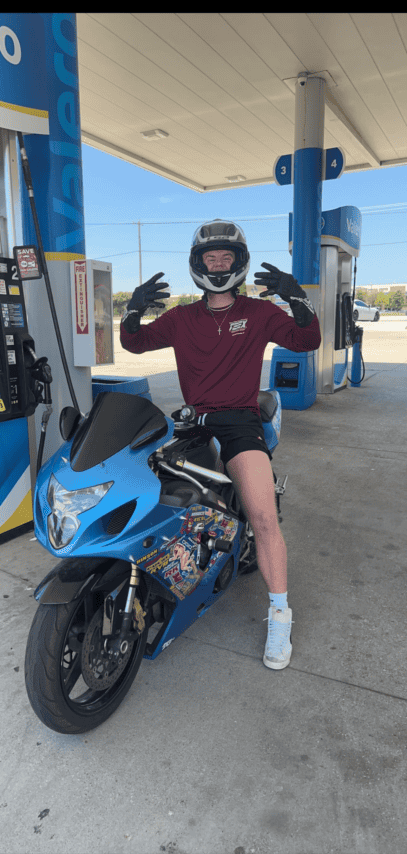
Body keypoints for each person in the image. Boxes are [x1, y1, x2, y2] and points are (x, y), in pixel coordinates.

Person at [120, 219, 321, 670]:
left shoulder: (259, 312)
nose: (217, 265)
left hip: (239, 422)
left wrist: (298, 298)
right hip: (191, 421)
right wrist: (133, 309)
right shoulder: (181, 318)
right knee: (152, 491)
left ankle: (280, 614)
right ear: (198, 264)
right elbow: (134, 344)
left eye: (225, 257)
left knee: (263, 518)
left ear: (239, 262)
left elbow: (307, 340)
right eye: (210, 258)